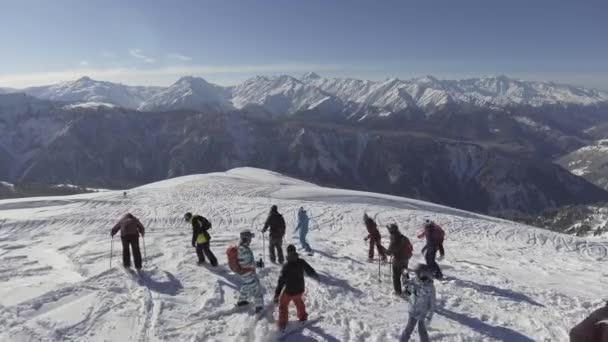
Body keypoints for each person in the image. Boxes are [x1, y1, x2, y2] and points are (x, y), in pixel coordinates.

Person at [273, 244, 319, 331]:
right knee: (298, 300)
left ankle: (283, 323)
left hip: (289, 291)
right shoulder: (301, 261)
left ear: (287, 253)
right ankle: (303, 317)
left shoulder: (286, 266)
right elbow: (309, 269)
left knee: (283, 304)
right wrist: (314, 275)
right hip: (300, 289)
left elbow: (281, 282)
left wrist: (277, 294)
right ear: (295, 251)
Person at [401, 264, 436, 342]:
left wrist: (428, 317)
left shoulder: (430, 287)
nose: (416, 275)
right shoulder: (414, 281)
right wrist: (404, 276)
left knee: (422, 331)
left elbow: (432, 304)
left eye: (417, 273)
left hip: (423, 314)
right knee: (408, 329)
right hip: (412, 311)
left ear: (423, 274)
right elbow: (406, 286)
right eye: (416, 273)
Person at [236, 230, 265, 313]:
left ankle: (241, 301)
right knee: (257, 290)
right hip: (247, 273)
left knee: (246, 286)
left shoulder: (242, 247)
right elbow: (245, 264)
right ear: (246, 239)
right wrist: (257, 264)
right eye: (250, 238)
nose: (251, 240)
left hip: (244, 273)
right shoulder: (243, 249)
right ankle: (259, 308)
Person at [384, 224, 413, 296]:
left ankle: (398, 292)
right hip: (406, 259)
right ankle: (408, 290)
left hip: (398, 260)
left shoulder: (394, 239)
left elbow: (389, 252)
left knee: (396, 276)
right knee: (405, 274)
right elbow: (411, 247)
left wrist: (382, 249)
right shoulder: (404, 237)